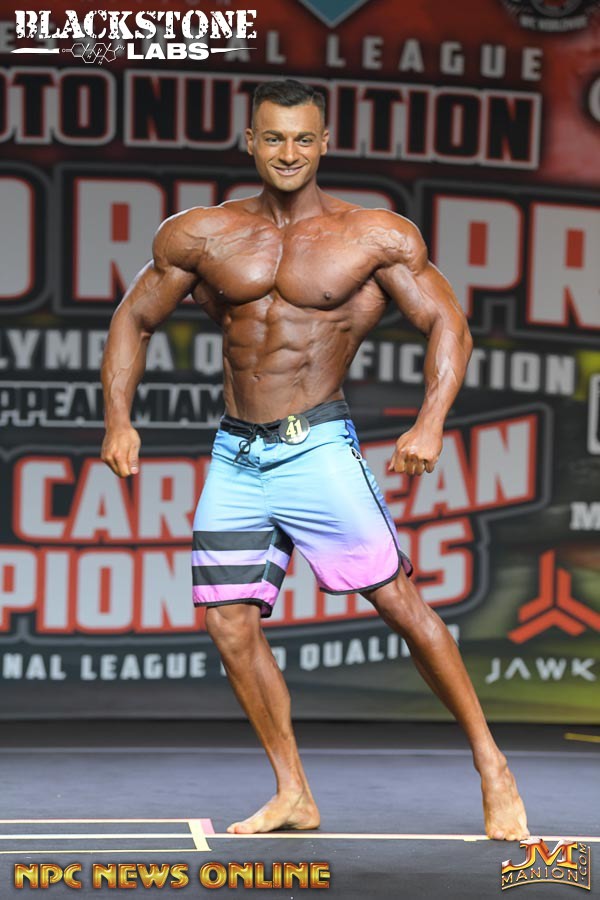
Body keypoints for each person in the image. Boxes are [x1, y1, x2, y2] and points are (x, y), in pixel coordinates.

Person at [101, 79, 529, 841]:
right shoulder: (201, 234)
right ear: (250, 141)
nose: (289, 152)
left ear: (324, 143)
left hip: (317, 446)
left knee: (399, 603)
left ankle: (493, 768)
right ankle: (293, 792)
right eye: (274, 137)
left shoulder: (372, 236)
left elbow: (448, 324)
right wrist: (118, 422)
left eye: (303, 138)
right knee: (229, 623)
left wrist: (429, 423)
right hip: (237, 452)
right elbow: (133, 318)